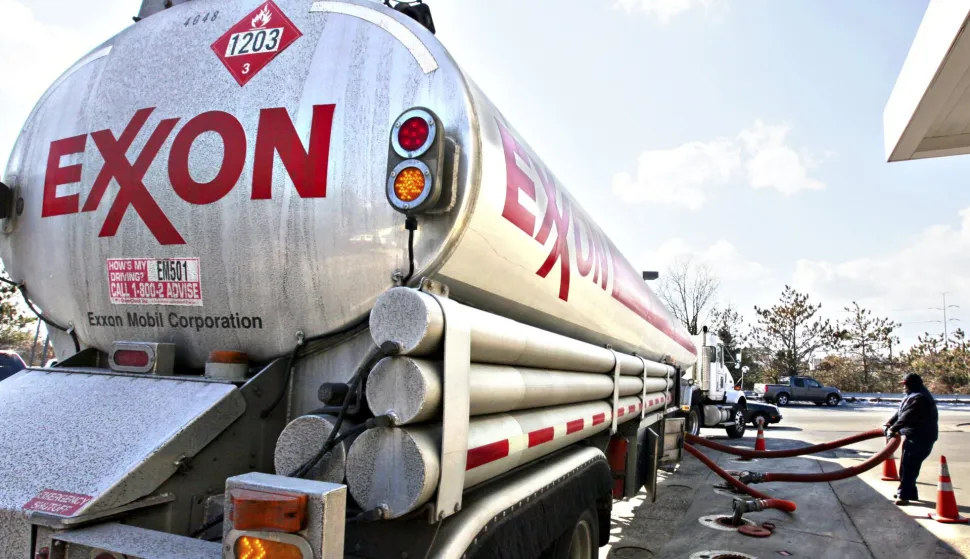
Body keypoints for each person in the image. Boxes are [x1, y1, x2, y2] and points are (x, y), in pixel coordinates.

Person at [883, 372, 939, 505]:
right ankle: (909, 492)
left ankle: (903, 495)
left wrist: (893, 429)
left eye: (906, 384)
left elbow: (908, 415)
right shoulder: (912, 395)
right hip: (914, 436)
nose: (904, 387)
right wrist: (889, 423)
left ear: (912, 384)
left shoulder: (920, 398)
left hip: (921, 437)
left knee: (909, 466)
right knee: (907, 466)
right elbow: (901, 412)